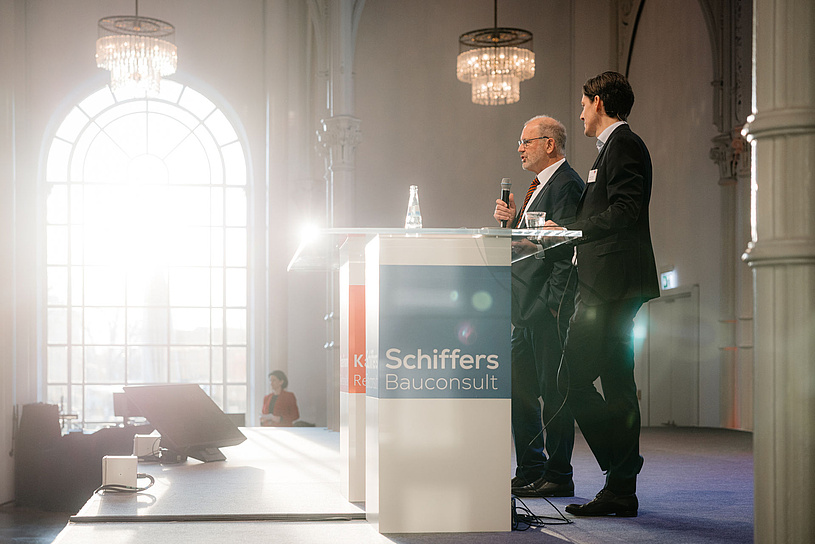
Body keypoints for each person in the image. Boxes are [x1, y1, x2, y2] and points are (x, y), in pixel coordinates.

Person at [548, 71, 659, 517]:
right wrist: (565, 232)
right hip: (608, 283)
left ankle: (621, 467)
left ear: (598, 102)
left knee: (570, 379)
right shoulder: (610, 148)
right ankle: (621, 486)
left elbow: (626, 210)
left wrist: (572, 230)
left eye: (582, 104)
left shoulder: (624, 144)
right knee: (617, 384)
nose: (579, 113)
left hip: (612, 285)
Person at [493, 115, 584, 498]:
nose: (520, 148)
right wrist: (512, 223)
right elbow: (531, 244)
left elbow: (566, 248)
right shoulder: (538, 187)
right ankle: (530, 467)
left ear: (549, 144)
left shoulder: (566, 184)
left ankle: (559, 473)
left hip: (547, 308)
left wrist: (554, 305)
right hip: (525, 308)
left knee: (554, 392)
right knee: (521, 391)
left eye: (526, 141)